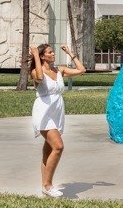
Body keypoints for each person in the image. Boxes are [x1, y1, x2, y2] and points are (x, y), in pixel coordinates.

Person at [29, 43, 86, 198]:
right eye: (50, 52)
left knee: (48, 151)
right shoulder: (35, 71)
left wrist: (70, 53)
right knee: (58, 147)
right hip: (43, 113)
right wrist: (35, 54)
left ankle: (44, 185)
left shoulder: (59, 70)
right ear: (42, 56)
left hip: (56, 112)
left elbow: (81, 70)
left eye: (53, 52)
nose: (53, 54)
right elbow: (40, 77)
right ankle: (48, 185)